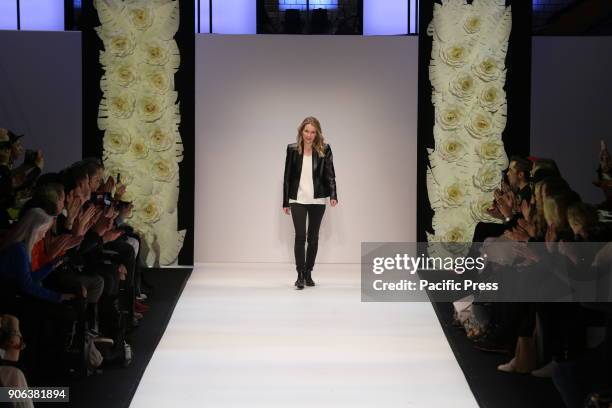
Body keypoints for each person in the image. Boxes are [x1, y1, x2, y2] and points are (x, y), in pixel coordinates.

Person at [282, 117, 338, 290]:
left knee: (312, 238)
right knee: (300, 236)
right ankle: (299, 274)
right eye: (307, 131)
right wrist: (285, 201)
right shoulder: (292, 149)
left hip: (318, 199)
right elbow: (287, 177)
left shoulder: (324, 149)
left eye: (313, 132)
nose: (309, 135)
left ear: (317, 133)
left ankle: (308, 273)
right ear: (301, 131)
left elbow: (330, 173)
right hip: (297, 199)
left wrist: (333, 194)